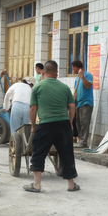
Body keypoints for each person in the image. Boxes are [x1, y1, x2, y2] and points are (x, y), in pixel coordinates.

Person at [24, 60, 79, 193]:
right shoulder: (65, 87)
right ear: (56, 73)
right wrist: (70, 123)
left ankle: (37, 185)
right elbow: (72, 107)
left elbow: (32, 108)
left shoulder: (37, 87)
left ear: (43, 72)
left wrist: (32, 125)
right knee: (67, 153)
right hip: (63, 124)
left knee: (38, 153)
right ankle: (71, 184)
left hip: (46, 124)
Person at [71, 60, 94, 148]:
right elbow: (76, 91)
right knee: (78, 123)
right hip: (78, 103)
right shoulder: (77, 78)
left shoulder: (88, 75)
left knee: (84, 122)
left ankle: (83, 142)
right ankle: (81, 140)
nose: (73, 69)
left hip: (86, 103)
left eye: (73, 68)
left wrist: (83, 76)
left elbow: (88, 86)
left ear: (77, 67)